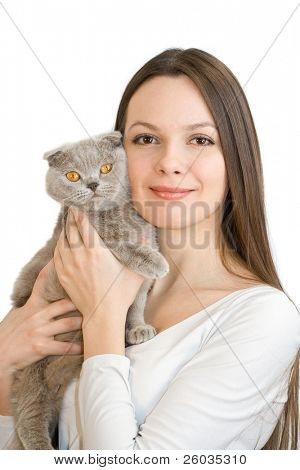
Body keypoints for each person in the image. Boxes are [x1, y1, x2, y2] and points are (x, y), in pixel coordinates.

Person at [1, 47, 299, 450]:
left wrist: (103, 317)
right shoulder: (77, 277)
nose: (171, 162)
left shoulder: (264, 318)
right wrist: (4, 366)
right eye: (146, 138)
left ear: (236, 158)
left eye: (199, 139)